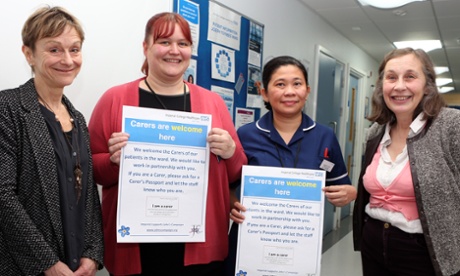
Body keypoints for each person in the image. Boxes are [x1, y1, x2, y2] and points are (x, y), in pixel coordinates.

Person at [88, 12, 247, 275]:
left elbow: (235, 172)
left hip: (199, 243)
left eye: (183, 44)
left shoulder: (212, 103)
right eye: (164, 42)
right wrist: (113, 161)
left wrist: (230, 151)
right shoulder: (115, 99)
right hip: (136, 244)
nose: (174, 51)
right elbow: (91, 168)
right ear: (145, 47)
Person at [226, 55, 357, 275]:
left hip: (300, 243)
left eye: (297, 84)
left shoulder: (324, 136)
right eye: (280, 84)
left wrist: (350, 193)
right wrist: (233, 203)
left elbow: (341, 185)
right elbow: (229, 184)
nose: (289, 92)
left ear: (307, 90)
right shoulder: (246, 135)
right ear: (264, 92)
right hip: (251, 240)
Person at [0, 6, 104, 276]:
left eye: (75, 49)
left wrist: (92, 253)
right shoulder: (7, 108)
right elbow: (3, 196)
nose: (68, 60)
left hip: (75, 264)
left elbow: (88, 193)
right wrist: (46, 262)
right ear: (29, 54)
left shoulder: (78, 118)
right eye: (54, 49)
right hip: (22, 266)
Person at [352, 48, 460, 276]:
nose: (399, 86)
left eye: (410, 77)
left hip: (427, 250)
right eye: (391, 77)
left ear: (427, 85)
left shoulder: (451, 125)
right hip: (373, 241)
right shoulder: (375, 132)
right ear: (382, 85)